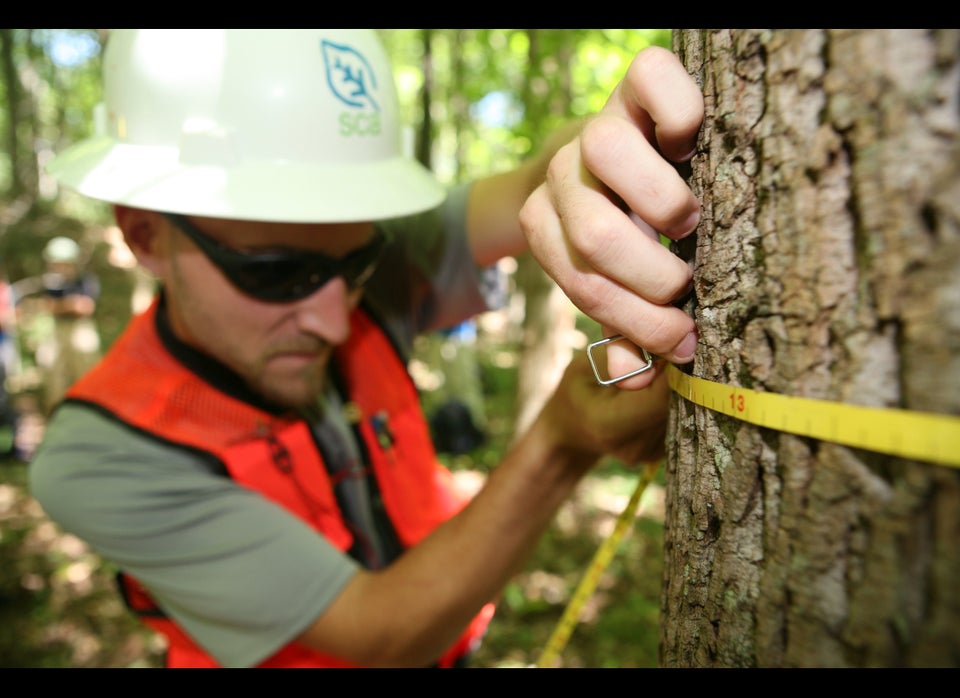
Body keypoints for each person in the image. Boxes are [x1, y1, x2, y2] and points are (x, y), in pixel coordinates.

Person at [29, 29, 703, 668]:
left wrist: (618, 149)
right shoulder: (102, 454)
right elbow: (378, 633)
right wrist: (562, 441)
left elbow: (543, 176)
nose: (331, 316)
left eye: (357, 263)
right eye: (275, 272)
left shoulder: (353, 266)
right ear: (145, 234)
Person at [36, 235, 102, 412]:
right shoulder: (52, 283)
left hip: (80, 330)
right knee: (54, 374)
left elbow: (86, 307)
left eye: (62, 263)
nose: (59, 268)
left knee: (86, 373)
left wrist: (64, 305)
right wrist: (70, 304)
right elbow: (48, 306)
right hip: (58, 330)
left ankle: (91, 413)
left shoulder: (85, 280)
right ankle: (57, 415)